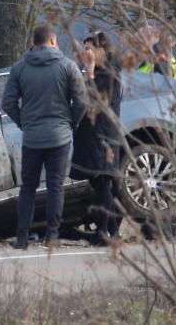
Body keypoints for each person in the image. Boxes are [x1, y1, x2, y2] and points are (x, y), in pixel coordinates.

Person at [1, 25, 88, 249]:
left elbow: (8, 103)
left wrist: (23, 122)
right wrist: (72, 122)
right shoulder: (67, 66)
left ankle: (22, 238)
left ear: (34, 43)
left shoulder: (19, 68)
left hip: (32, 137)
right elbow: (81, 101)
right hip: (60, 136)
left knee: (28, 187)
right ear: (53, 40)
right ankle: (52, 236)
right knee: (55, 186)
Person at [71, 32, 123, 246]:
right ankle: (113, 232)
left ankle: (103, 232)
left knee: (102, 183)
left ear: (102, 50)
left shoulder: (110, 74)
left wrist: (90, 71)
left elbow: (95, 100)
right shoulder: (99, 72)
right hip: (93, 135)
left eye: (90, 48)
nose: (87, 53)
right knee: (100, 184)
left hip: (103, 136)